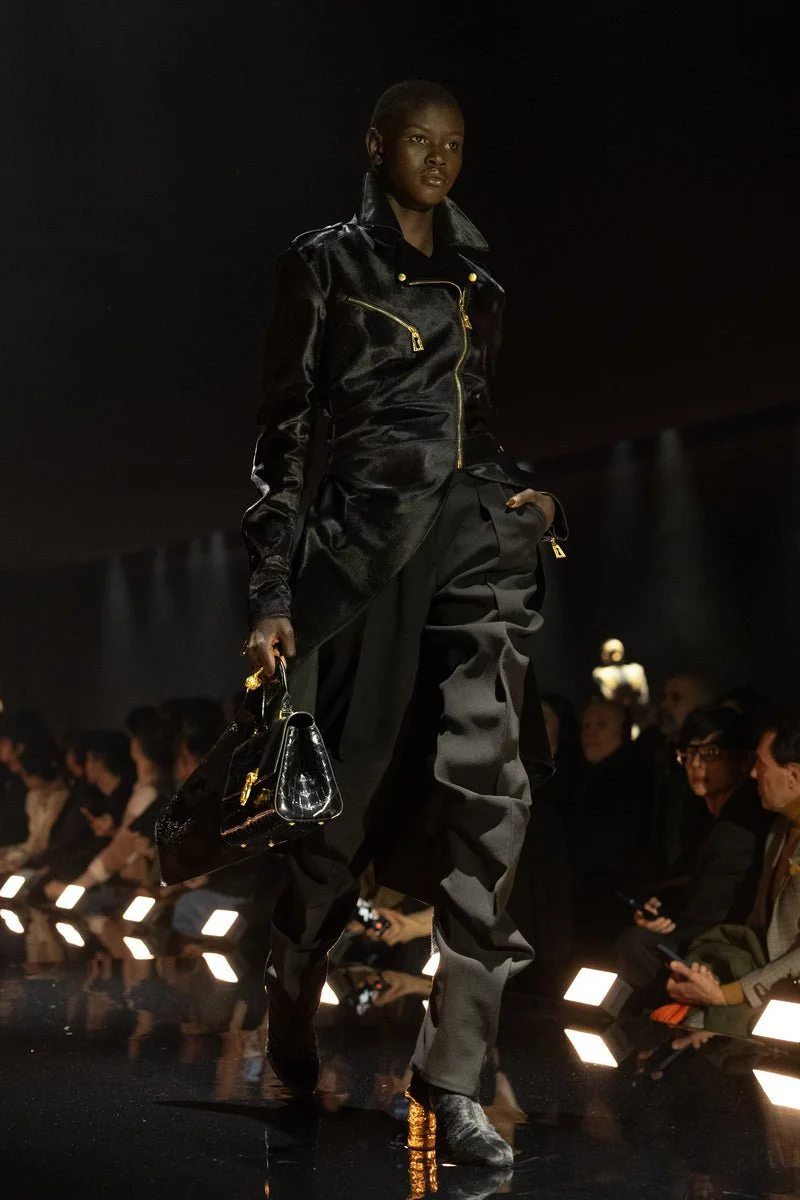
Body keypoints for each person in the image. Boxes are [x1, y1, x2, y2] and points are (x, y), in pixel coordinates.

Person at [234, 80, 568, 1166]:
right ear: (376, 145)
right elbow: (285, 434)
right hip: (364, 554)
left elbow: (480, 414)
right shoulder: (325, 261)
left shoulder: (478, 280)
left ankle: (450, 1073)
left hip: (475, 539)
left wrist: (529, 499)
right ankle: (290, 1000)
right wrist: (273, 592)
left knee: (491, 797)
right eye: (419, 141)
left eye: (453, 145)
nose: (437, 160)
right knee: (336, 822)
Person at [614, 707, 770, 990]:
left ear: (744, 759)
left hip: (725, 953)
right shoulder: (707, 818)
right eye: (688, 754)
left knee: (634, 943)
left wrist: (667, 922)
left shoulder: (738, 829)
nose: (696, 764)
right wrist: (660, 911)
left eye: (710, 753)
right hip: (705, 939)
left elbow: (710, 918)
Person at [666, 713, 800, 1017]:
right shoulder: (778, 831)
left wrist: (726, 994)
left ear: (793, 774)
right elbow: (758, 929)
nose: (752, 774)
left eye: (761, 765)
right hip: (764, 981)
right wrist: (710, 975)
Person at [45, 723, 171, 910]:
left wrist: (78, 886)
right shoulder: (139, 794)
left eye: (139, 760)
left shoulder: (147, 796)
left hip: (132, 886)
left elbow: (120, 849)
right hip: (130, 883)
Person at [572, 698, 652, 950]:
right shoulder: (581, 778)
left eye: (602, 725)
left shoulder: (632, 781)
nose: (590, 733)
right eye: (585, 726)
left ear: (623, 732)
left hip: (613, 905)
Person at [0, 744, 69, 873]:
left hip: (47, 862)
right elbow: (32, 841)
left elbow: (42, 842)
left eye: (25, 774)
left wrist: (20, 857)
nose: (23, 778)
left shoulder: (61, 797)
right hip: (28, 857)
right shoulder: (33, 796)